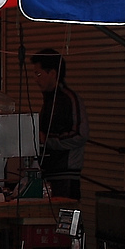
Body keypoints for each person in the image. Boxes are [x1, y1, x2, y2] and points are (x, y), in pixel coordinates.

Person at [28, 48, 89, 200]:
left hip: (66, 174)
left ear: (53, 73)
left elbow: (80, 134)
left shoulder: (69, 99)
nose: (36, 79)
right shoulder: (49, 100)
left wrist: (46, 139)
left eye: (39, 73)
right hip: (48, 172)